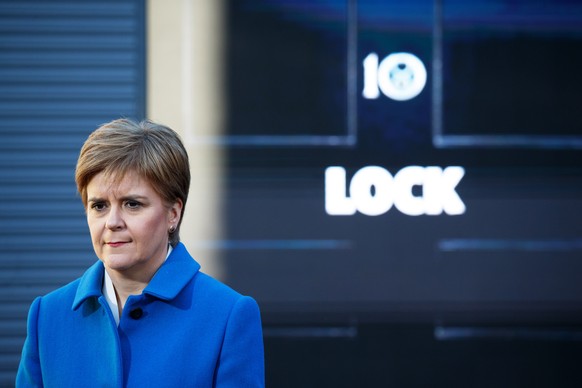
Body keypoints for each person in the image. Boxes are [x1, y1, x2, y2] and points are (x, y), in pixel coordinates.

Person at [16, 118, 265, 387]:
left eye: (132, 204)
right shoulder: (48, 315)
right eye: (99, 206)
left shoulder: (229, 316)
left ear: (173, 213)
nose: (112, 222)